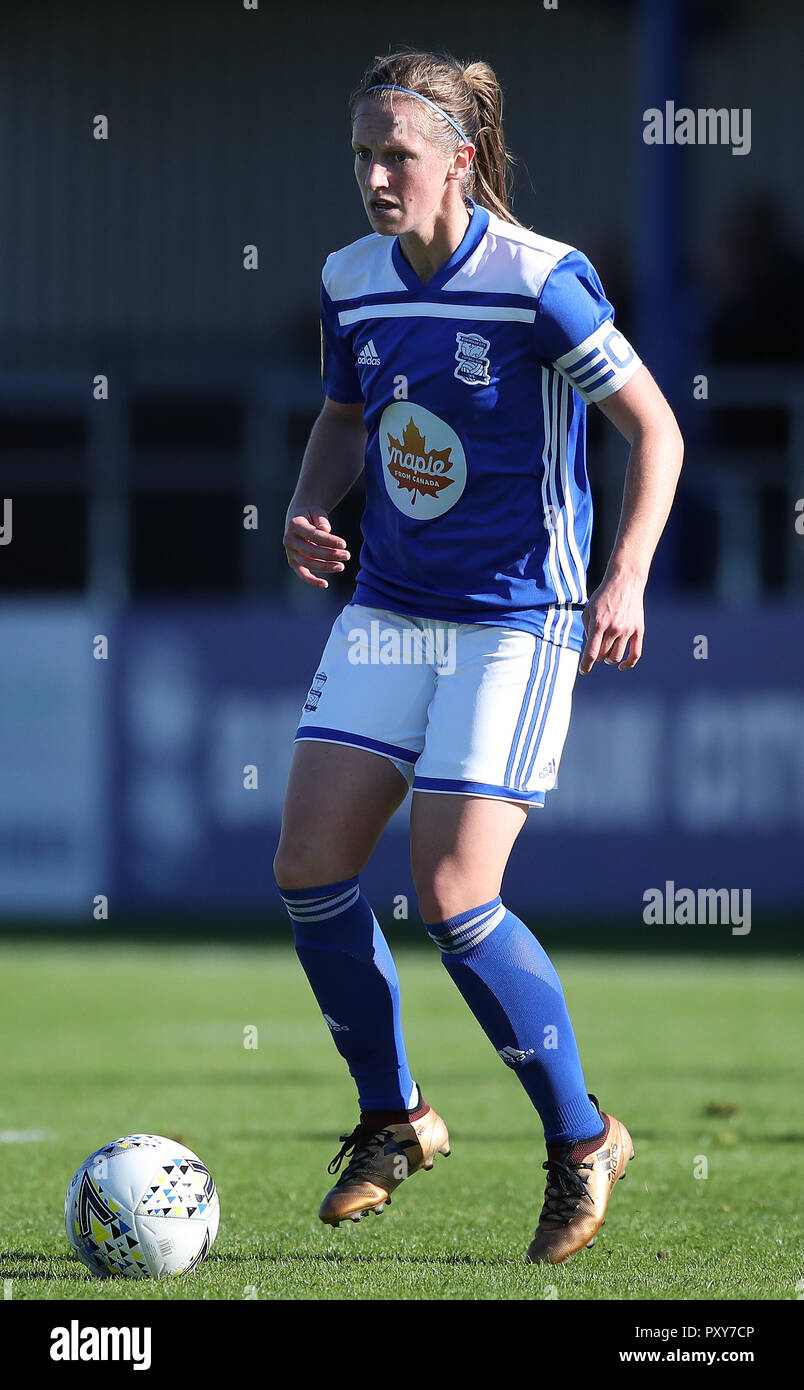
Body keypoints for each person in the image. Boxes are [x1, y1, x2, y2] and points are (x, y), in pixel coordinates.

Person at [273, 48, 684, 1266]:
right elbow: (348, 414)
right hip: (392, 605)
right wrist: (310, 501)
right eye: (361, 156)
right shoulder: (352, 279)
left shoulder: (539, 279)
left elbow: (653, 427)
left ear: (460, 158)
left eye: (395, 154)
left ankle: (580, 1140)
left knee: (454, 893)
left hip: (521, 615)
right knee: (307, 867)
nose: (373, 176)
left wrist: (627, 572)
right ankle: (395, 1116)